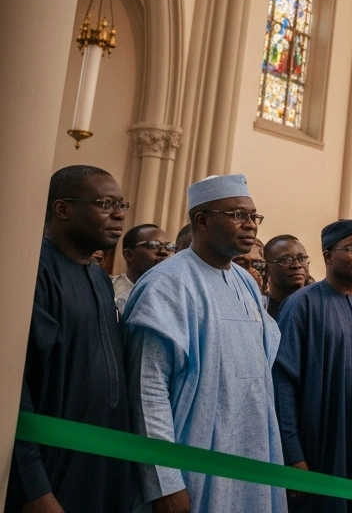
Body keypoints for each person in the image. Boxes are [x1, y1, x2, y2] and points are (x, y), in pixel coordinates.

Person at [124, 174, 285, 512]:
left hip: (251, 448)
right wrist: (165, 482)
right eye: (238, 215)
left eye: (253, 216)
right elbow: (147, 390)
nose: (251, 225)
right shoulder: (166, 284)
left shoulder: (245, 282)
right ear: (201, 220)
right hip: (193, 455)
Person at [7, 166, 138, 511]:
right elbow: (13, 388)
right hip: (50, 470)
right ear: (62, 209)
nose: (119, 214)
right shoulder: (31, 270)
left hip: (99, 465)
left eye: (122, 205)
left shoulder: (99, 278)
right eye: (105, 204)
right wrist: (35, 488)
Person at [274, 220, 352, 513]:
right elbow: (283, 384)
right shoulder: (300, 306)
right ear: (327, 256)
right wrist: (293, 455)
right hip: (321, 445)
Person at [113, 223, 174, 314]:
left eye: (169, 247)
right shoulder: (109, 291)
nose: (164, 252)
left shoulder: (174, 293)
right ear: (128, 255)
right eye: (153, 245)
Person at [265, 234, 310, 320]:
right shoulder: (260, 310)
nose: (296, 265)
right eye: (285, 259)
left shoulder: (320, 306)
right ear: (267, 268)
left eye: (302, 258)